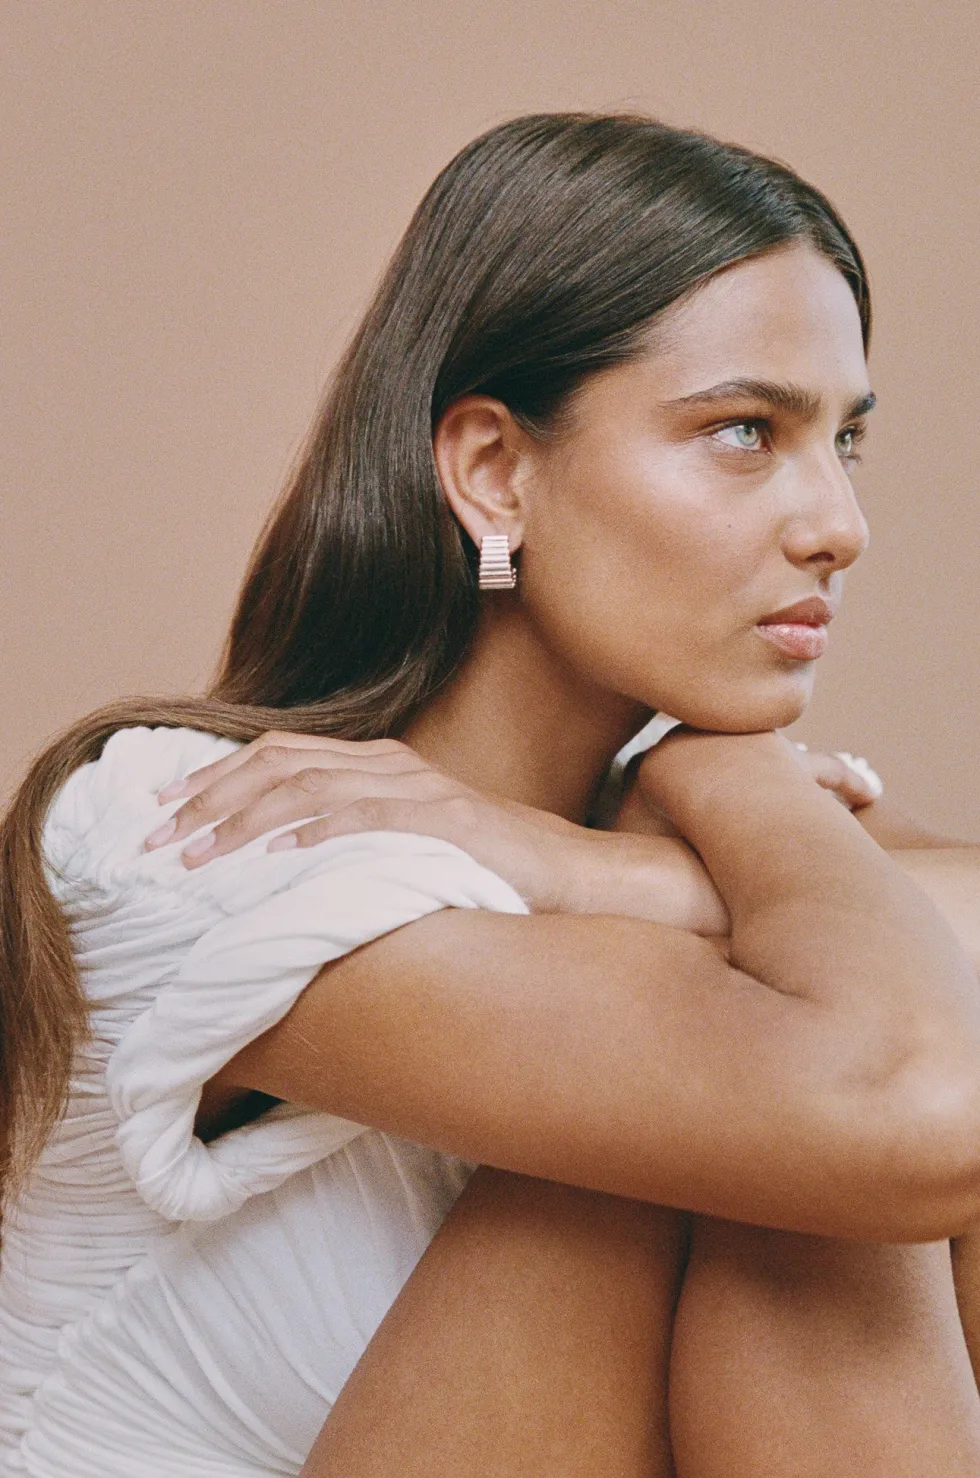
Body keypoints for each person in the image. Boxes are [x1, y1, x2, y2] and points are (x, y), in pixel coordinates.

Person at [2, 112, 980, 1477]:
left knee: (797, 1060)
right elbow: (910, 1103)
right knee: (771, 1121)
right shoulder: (193, 824)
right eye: (745, 431)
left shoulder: (681, 834)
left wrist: (622, 845)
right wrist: (731, 768)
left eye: (846, 441)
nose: (839, 526)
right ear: (494, 474)